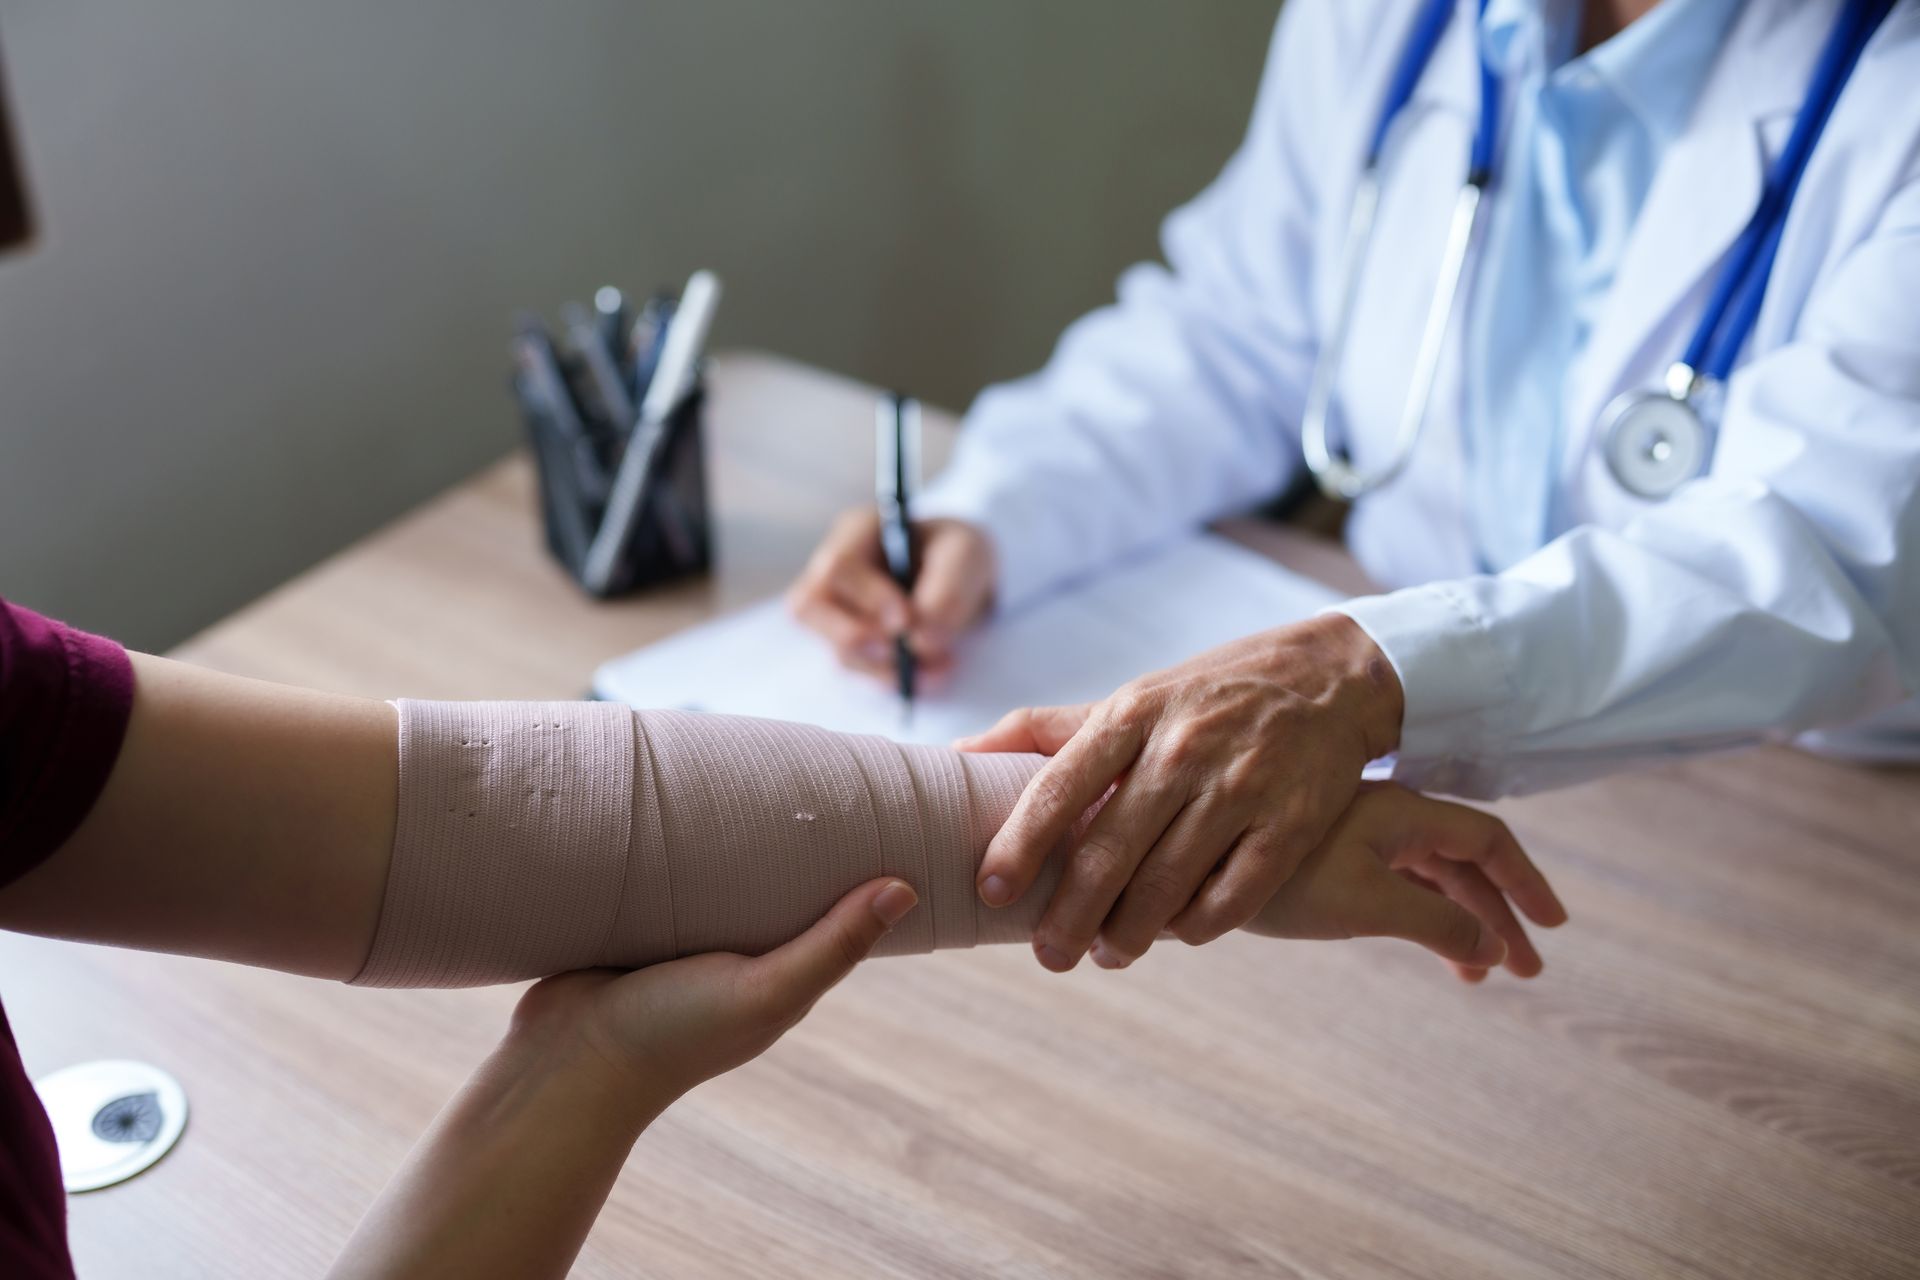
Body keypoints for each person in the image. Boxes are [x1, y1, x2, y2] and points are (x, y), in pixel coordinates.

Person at [788, 0, 1920, 977]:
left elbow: (1821, 545)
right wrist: (998, 508)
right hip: (1409, 808)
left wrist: (1369, 675)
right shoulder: (1393, 20)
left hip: (1812, 832)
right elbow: (1238, 329)